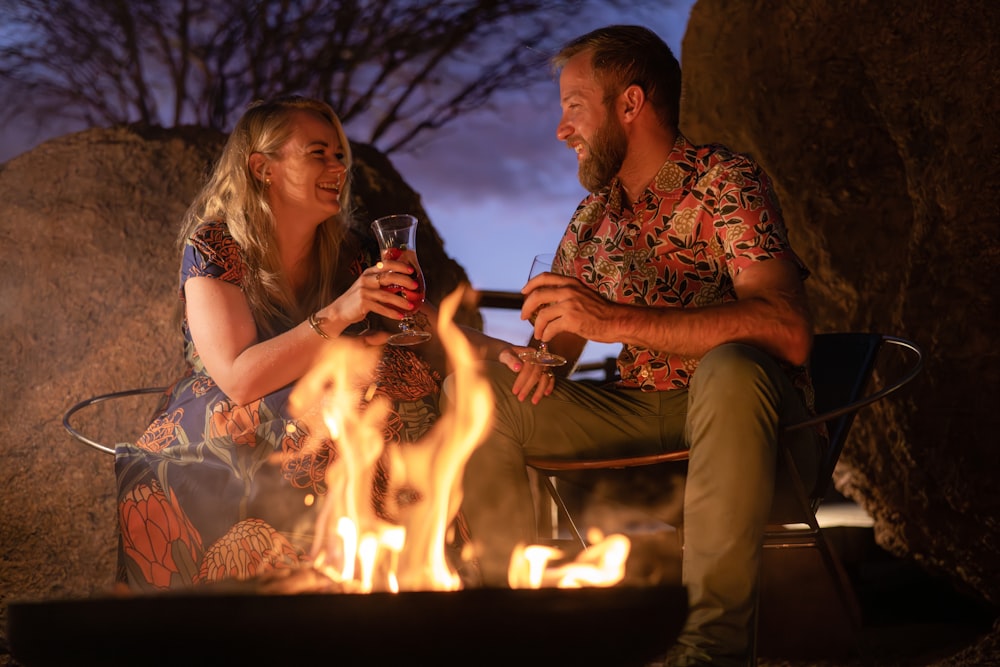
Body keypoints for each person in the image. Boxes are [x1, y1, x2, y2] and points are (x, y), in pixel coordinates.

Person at [457, 25, 825, 666]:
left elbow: (788, 331)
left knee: (733, 368)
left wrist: (615, 318)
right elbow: (552, 359)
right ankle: (509, 627)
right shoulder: (593, 217)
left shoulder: (723, 180)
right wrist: (469, 348)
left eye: (574, 106)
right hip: (634, 416)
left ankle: (709, 649)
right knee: (485, 396)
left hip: (743, 423)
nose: (561, 129)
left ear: (630, 104)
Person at [115, 96, 455, 590]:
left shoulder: (346, 251)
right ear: (262, 168)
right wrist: (342, 312)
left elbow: (418, 320)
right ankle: (308, 597)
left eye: (340, 155)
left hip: (317, 402)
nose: (337, 166)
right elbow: (239, 378)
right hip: (226, 416)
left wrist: (498, 350)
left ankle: (406, 587)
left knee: (409, 393)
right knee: (340, 418)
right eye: (318, 152)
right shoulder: (216, 245)